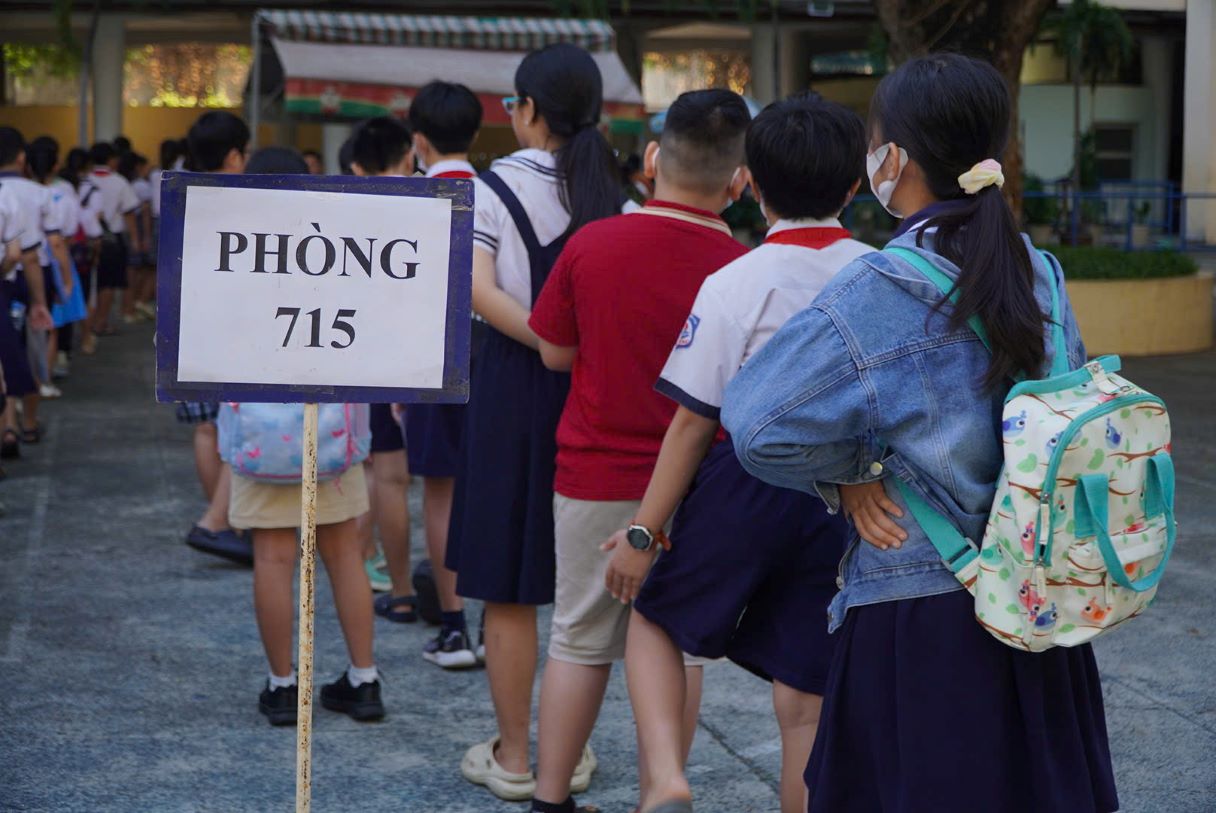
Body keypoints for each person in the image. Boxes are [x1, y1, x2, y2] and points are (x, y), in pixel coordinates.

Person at [721, 54, 1118, 813]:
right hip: (1037, 601)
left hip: (922, 613)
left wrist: (847, 474)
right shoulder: (1037, 268)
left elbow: (755, 421)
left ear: (892, 159)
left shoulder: (882, 287)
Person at [526, 89, 752, 813]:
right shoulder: (740, 266)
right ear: (739, 181)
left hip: (593, 475)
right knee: (679, 644)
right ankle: (661, 783)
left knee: (577, 639)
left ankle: (550, 796)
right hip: (700, 485)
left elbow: (554, 353)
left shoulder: (590, 244)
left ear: (652, 160)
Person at [446, 43, 620, 805]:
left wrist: (549, 342)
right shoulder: (616, 192)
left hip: (514, 391)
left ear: (527, 110)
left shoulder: (491, 188)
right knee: (587, 588)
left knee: (509, 585)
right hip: (598, 392)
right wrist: (570, 346)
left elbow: (479, 291)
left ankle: (515, 756)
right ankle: (567, 752)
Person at [222, 145, 386, 728]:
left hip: (260, 437)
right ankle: (364, 681)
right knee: (345, 554)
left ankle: (284, 687)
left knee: (271, 556)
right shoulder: (336, 249)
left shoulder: (231, 254)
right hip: (331, 432)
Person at [405, 80, 484, 668]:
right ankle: (498, 618)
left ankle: (455, 627)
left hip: (430, 355)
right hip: (500, 351)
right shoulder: (500, 193)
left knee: (440, 491)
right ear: (476, 134)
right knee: (495, 485)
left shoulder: (409, 199)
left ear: (419, 141)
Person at [345, 116, 420, 620]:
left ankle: (397, 584)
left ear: (355, 166)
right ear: (410, 157)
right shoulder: (429, 207)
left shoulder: (346, 211)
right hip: (424, 358)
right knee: (429, 482)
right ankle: (436, 586)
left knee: (381, 475)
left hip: (366, 352)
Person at [180, 111, 253, 565]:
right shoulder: (240, 198)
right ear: (233, 155)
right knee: (235, 423)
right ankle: (219, 521)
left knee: (206, 427)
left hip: (186, 320)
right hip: (229, 322)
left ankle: (221, 522)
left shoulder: (180, 192)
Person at [0, 127, 61, 455]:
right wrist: (41, 300)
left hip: (9, 286)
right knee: (27, 354)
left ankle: (8, 426)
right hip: (20, 283)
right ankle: (29, 424)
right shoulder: (35, 193)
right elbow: (27, 254)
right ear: (21, 157)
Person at [25, 136, 83, 399]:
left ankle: (19, 385)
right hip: (48, 263)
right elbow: (61, 239)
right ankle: (43, 381)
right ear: (55, 164)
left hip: (16, 263)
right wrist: (67, 277)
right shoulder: (63, 194)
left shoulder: (14, 191)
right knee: (49, 326)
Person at [82, 141, 142, 340]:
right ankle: (100, 322)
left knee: (89, 283)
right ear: (111, 159)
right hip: (112, 239)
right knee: (108, 283)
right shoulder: (119, 181)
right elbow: (129, 213)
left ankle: (86, 327)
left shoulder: (84, 181)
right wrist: (135, 239)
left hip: (86, 239)